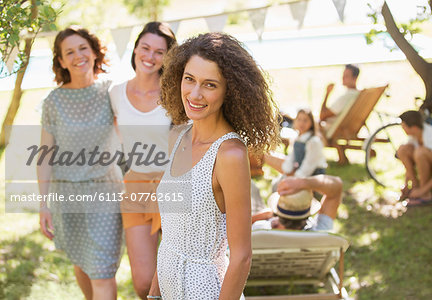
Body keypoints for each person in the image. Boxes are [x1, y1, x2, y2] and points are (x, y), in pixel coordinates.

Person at [148, 32, 280, 299]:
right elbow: (171, 235)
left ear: (230, 90)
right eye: (190, 79)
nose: (195, 94)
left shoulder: (229, 154)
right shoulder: (177, 136)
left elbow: (242, 256)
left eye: (209, 84)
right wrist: (153, 295)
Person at [38, 26, 123, 300]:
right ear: (61, 61)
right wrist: (43, 203)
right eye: (69, 52)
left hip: (105, 193)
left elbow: (133, 134)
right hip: (67, 197)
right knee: (82, 264)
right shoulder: (54, 101)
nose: (78, 56)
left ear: (95, 52)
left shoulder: (111, 92)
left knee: (102, 271)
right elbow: (45, 154)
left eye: (83, 48)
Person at [108, 22, 176, 300]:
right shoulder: (115, 93)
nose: (150, 56)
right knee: (143, 281)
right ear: (135, 48)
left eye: (159, 51)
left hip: (173, 185)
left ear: (167, 58)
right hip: (135, 185)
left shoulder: (175, 93)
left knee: (176, 273)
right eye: (145, 48)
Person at [252, 175, 342, 231]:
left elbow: (239, 229)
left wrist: (264, 215)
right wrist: (303, 182)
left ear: (277, 212)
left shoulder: (259, 229)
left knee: (252, 188)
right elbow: (337, 186)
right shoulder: (320, 231)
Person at [397, 110, 432, 206]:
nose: (402, 128)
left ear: (414, 128)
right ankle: (414, 186)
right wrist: (406, 183)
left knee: (420, 153)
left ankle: (425, 194)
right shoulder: (414, 135)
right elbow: (409, 163)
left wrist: (422, 190)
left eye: (404, 126)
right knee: (402, 150)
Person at [264, 108, 327, 179]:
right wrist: (287, 170)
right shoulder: (297, 139)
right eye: (299, 119)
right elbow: (292, 157)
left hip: (313, 175)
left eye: (305, 120)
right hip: (301, 172)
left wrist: (296, 177)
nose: (301, 123)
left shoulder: (313, 141)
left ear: (311, 123)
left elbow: (309, 164)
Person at [319, 64, 360, 131]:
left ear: (355, 78)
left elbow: (322, 116)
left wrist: (327, 93)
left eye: (346, 76)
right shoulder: (358, 94)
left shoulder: (347, 97)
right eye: (343, 75)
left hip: (333, 129)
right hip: (344, 127)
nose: (342, 77)